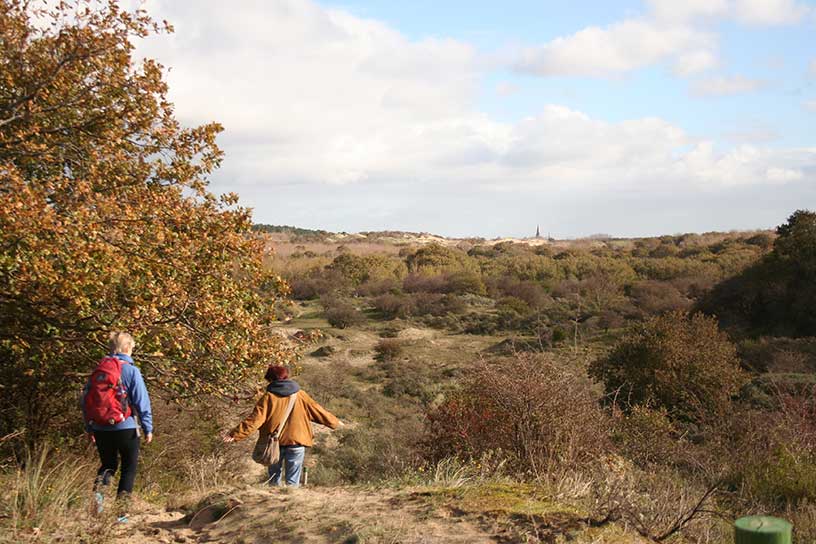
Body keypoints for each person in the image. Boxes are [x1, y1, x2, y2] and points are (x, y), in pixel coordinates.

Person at [223, 365, 341, 487]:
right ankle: (290, 503)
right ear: (286, 376)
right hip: (297, 441)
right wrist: (335, 423)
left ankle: (273, 502)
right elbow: (318, 411)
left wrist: (235, 434)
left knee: (274, 479)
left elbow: (255, 420)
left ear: (270, 379)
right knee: (293, 482)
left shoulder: (268, 397)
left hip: (274, 443)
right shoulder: (301, 395)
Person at [82, 331, 153, 520]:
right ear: (128, 348)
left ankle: (97, 503)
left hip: (100, 427)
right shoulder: (131, 370)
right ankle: (121, 515)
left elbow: (86, 401)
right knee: (129, 468)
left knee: (107, 465)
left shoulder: (99, 371)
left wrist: (90, 427)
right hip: (126, 427)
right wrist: (148, 427)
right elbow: (141, 401)